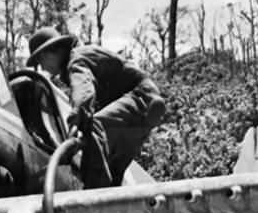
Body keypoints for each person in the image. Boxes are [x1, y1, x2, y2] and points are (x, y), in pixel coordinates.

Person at [27, 27, 166, 188]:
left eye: (41, 61)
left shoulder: (76, 60)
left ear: (51, 53)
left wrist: (75, 121)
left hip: (141, 98)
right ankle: (112, 202)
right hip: (144, 110)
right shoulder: (79, 59)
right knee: (113, 163)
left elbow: (84, 91)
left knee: (95, 128)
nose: (43, 68)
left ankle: (93, 195)